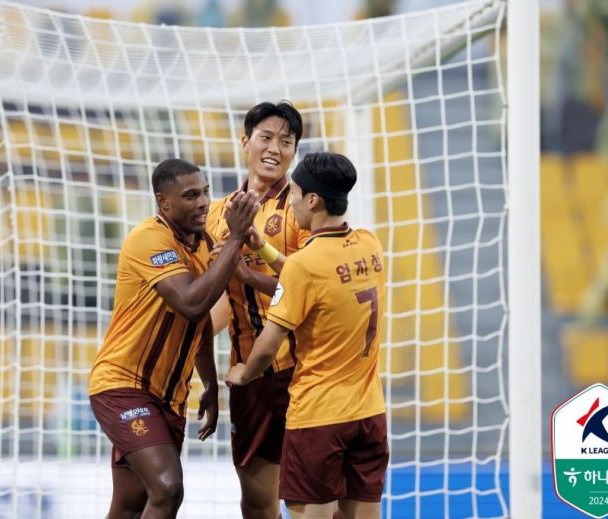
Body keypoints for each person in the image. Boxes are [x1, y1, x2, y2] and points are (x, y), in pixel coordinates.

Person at [89, 158, 259, 518]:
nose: (203, 202)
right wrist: (236, 238)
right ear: (163, 202)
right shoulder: (150, 238)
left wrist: (209, 384)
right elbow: (191, 304)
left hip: (169, 397)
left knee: (130, 505)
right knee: (167, 487)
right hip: (123, 386)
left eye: (205, 193)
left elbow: (198, 324)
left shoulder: (204, 244)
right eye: (191, 195)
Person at [227, 151, 389, 519]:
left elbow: (268, 346)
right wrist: (263, 248)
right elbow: (315, 275)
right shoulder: (370, 244)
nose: (291, 201)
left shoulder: (305, 265)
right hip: (369, 414)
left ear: (313, 200)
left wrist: (244, 375)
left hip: (319, 417)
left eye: (295, 193)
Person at [206, 100, 308, 519]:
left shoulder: (304, 209)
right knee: (256, 503)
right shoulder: (216, 215)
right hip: (248, 372)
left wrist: (249, 276)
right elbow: (218, 300)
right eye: (266, 137)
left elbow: (313, 290)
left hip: (302, 371)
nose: (275, 148)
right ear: (245, 141)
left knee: (314, 500)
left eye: (286, 141)